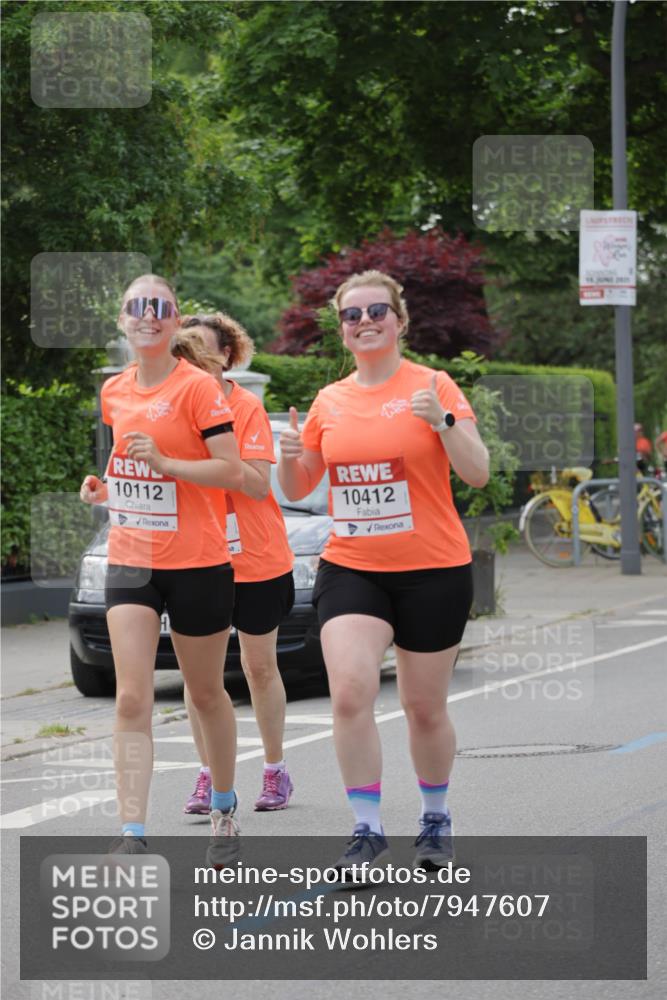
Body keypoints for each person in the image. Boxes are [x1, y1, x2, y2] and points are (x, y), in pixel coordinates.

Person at [278, 269, 489, 872]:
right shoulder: (329, 401)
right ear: (341, 329)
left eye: (376, 312)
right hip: (354, 566)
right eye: (352, 315)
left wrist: (444, 423)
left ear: (399, 320)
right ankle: (366, 830)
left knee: (424, 707)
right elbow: (300, 485)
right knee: (349, 693)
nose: (365, 322)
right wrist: (289, 457)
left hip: (433, 569)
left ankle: (435, 817)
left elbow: (478, 473)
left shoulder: (434, 385)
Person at [79, 275, 244, 860]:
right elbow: (126, 465)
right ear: (122, 320)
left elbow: (231, 470)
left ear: (174, 321)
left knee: (205, 693)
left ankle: (223, 806)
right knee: (130, 698)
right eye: (136, 306)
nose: (147, 315)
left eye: (160, 307)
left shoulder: (198, 388)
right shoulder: (114, 390)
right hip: (132, 558)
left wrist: (169, 462)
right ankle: (132, 831)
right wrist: (103, 489)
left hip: (198, 560)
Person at [171, 314, 295, 812]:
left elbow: (260, 484)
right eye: (186, 350)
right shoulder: (174, 407)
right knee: (199, 678)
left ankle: (275, 770)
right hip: (197, 556)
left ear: (227, 356)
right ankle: (209, 775)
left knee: (258, 666)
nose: (193, 359)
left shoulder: (245, 407)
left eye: (204, 349)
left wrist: (209, 457)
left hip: (256, 555)